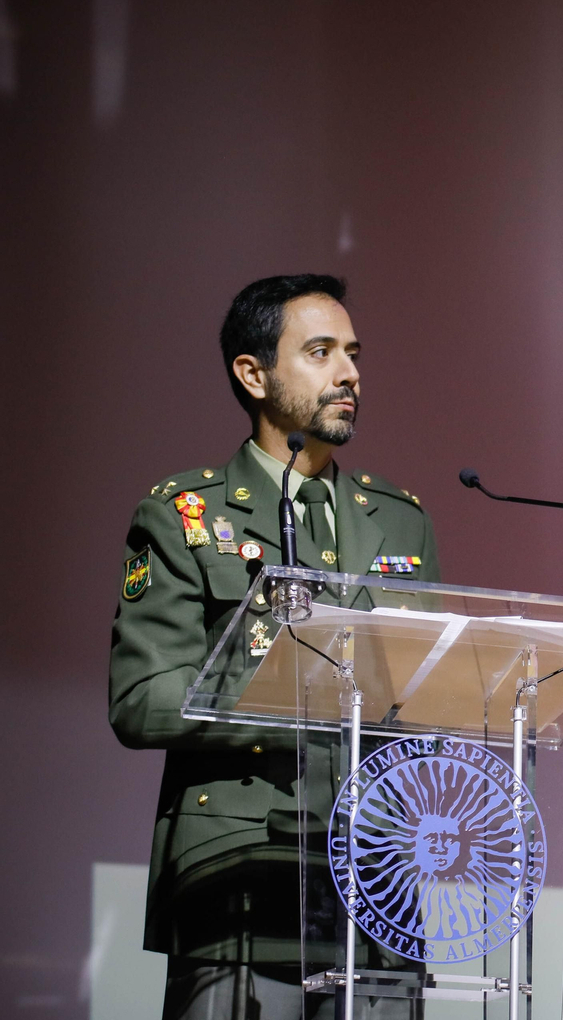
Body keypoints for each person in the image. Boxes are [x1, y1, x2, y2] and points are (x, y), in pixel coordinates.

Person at [109, 274, 439, 1019]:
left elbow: (425, 690)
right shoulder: (184, 515)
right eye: (320, 352)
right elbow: (141, 701)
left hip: (375, 881)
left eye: (352, 353)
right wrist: (296, 697)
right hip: (238, 874)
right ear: (254, 374)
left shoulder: (400, 519)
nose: (349, 373)